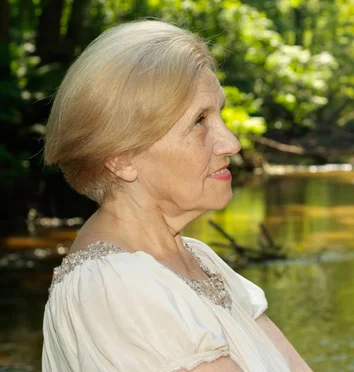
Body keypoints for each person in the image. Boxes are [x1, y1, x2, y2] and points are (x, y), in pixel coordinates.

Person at [42, 20, 311, 372]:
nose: (232, 143)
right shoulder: (116, 285)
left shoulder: (199, 259)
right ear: (121, 158)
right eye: (199, 121)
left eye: (220, 114)